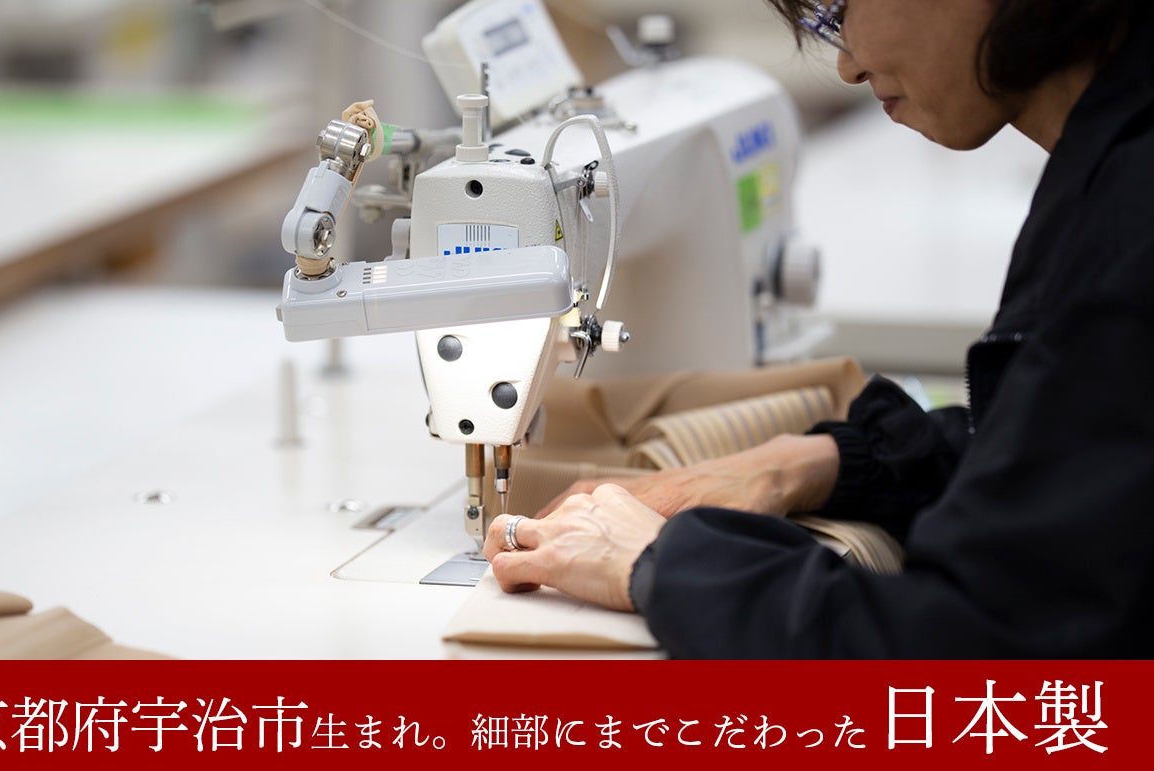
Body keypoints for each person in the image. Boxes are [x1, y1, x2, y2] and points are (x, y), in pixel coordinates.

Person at [482, 0, 1154, 658]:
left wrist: (661, 564)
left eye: (839, 8)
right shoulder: (1106, 163)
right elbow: (1071, 467)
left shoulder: (1129, 228)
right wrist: (813, 462)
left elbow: (976, 651)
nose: (845, 66)